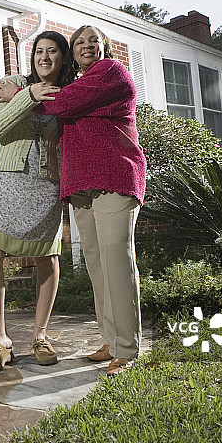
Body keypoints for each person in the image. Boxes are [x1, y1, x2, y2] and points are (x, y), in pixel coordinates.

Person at [33, 25, 146, 376]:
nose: (86, 46)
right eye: (78, 42)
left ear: (105, 47)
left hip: (115, 175)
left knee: (116, 259)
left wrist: (26, 94)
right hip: (82, 185)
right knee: (96, 265)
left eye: (92, 41)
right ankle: (111, 340)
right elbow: (56, 108)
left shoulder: (112, 72)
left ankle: (127, 350)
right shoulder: (78, 84)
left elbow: (59, 103)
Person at [0, 31, 76, 373]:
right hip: (8, 179)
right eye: (39, 51)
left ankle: (40, 335)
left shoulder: (68, 93)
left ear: (63, 58)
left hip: (46, 182)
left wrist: (25, 96)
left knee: (46, 259)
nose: (44, 57)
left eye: (52, 51)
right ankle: (0, 339)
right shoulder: (14, 83)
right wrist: (29, 94)